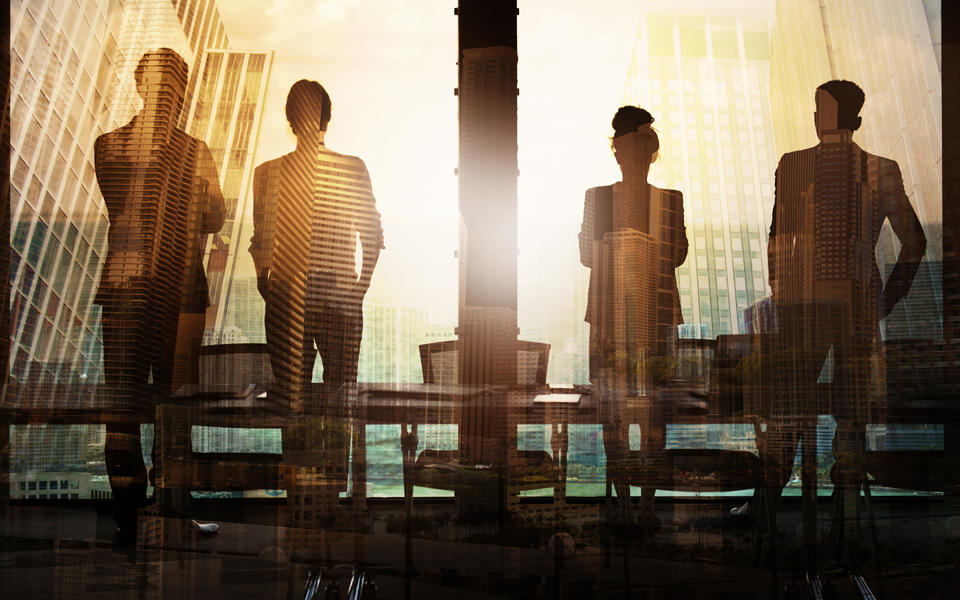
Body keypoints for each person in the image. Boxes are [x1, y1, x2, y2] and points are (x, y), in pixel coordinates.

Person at [748, 80, 926, 565]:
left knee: (843, 414)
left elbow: (915, 242)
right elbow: (777, 237)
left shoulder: (876, 169)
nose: (815, 115)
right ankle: (777, 507)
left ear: (845, 114)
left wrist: (884, 301)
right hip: (819, 307)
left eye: (821, 107)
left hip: (842, 308)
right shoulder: (798, 164)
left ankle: (832, 513)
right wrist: (784, 295)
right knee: (798, 409)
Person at [94, 48, 225, 544]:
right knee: (154, 409)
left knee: (142, 409)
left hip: (145, 290)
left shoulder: (113, 145)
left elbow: (128, 207)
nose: (170, 94)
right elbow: (211, 217)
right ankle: (153, 512)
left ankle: (138, 516)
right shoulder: (187, 151)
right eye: (166, 83)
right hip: (160, 292)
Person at [250, 80, 383, 408]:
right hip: (335, 296)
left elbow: (262, 240)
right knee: (339, 401)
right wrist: (358, 289)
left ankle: (301, 458)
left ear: (289, 119)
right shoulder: (351, 168)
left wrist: (265, 280)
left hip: (291, 294)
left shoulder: (268, 173)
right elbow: (372, 236)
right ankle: (331, 460)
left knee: (293, 401)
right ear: (327, 119)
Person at [579, 106, 688, 390]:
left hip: (647, 313)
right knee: (619, 402)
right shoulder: (601, 197)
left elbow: (677, 255)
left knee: (650, 399)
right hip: (614, 316)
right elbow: (588, 255)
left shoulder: (669, 200)